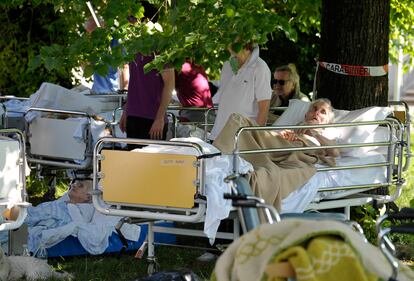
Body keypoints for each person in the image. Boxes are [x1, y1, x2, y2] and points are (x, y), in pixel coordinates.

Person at [209, 43, 272, 141]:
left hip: (242, 138)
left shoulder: (260, 67)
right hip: (218, 134)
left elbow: (264, 108)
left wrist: (256, 139)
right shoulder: (227, 64)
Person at [84, 17, 129, 94]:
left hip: (112, 92)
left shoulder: (116, 42)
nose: (92, 37)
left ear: (103, 26)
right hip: (97, 92)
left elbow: (125, 66)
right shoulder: (93, 45)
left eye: (94, 33)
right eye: (90, 34)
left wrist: (125, 89)